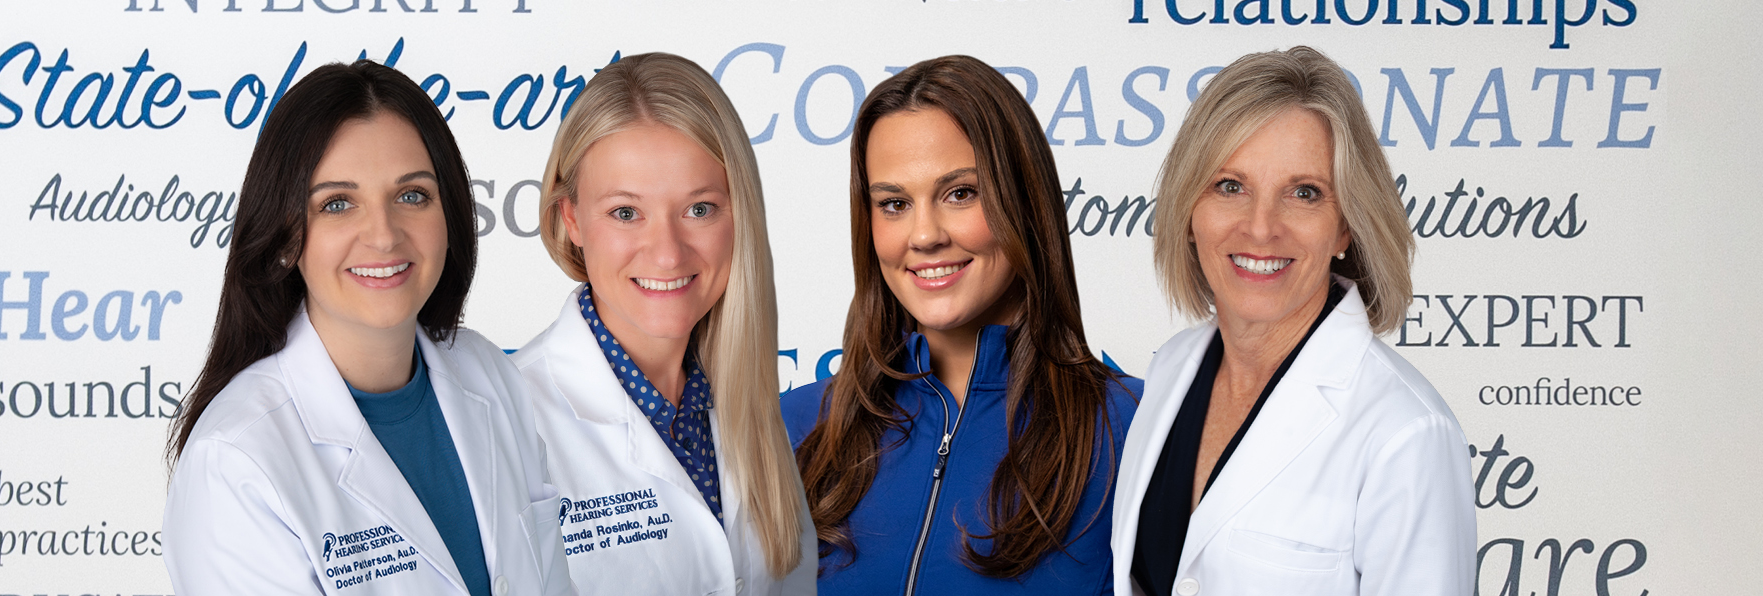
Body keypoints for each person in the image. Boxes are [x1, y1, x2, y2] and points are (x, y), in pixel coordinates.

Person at [163, 60, 571, 596]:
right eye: (337, 204)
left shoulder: (490, 374)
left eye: (412, 196)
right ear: (285, 239)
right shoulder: (235, 461)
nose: (383, 235)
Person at [1108, 46, 1475, 596]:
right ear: (1189, 211)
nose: (1261, 229)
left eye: (1304, 194)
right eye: (1230, 186)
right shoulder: (1172, 370)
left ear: (1346, 226)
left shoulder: (1407, 434)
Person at [780, 55, 1142, 596]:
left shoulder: (1134, 430)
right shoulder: (794, 428)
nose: (923, 236)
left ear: (1023, 201)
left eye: (960, 194)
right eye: (895, 203)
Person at [509, 52, 817, 596]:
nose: (668, 254)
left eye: (699, 209)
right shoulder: (508, 423)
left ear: (739, 212)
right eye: (626, 213)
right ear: (572, 219)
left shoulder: (748, 404)